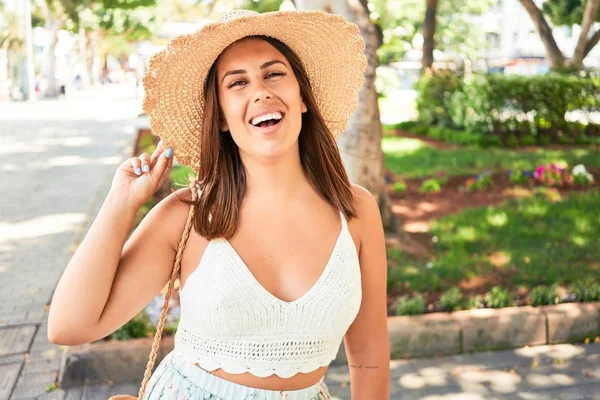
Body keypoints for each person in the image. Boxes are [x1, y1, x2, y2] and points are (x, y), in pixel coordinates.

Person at [48, 9, 390, 400]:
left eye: (274, 73)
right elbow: (69, 326)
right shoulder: (189, 217)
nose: (260, 91)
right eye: (237, 83)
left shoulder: (356, 211)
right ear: (223, 118)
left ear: (302, 96)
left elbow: (369, 356)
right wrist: (119, 205)